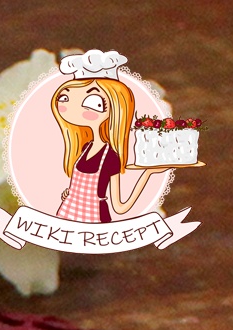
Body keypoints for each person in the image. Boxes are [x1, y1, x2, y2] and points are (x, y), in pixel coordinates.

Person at [50, 74, 166, 222]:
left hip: (94, 220)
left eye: (93, 103)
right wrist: (72, 193)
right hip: (68, 213)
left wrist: (147, 173)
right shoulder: (84, 147)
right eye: (65, 98)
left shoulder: (111, 157)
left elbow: (119, 207)